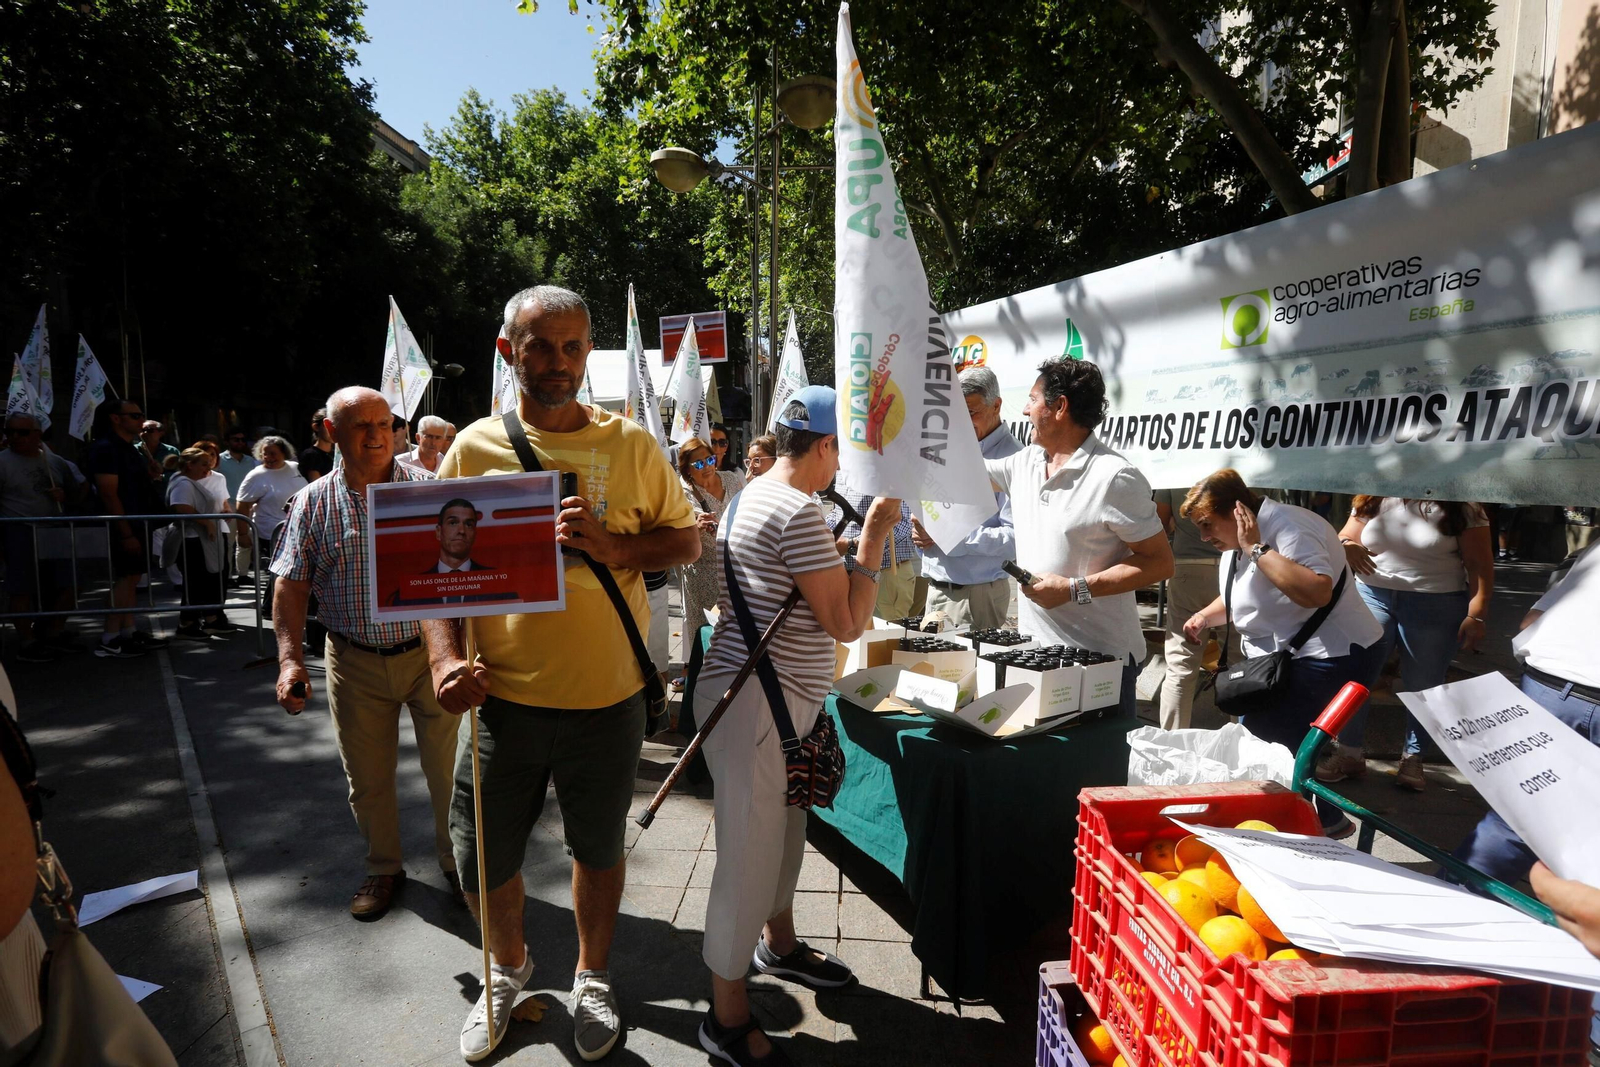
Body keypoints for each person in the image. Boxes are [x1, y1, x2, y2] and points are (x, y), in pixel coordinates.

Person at [422, 285, 699, 1063]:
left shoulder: (634, 446)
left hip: (607, 703)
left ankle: (594, 974)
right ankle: (506, 970)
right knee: (484, 856)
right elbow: (431, 575)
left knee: (598, 849)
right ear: (508, 351)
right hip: (501, 701)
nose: (558, 363)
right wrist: (445, 660)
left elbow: (684, 544)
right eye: (540, 346)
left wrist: (614, 549)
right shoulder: (472, 448)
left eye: (573, 347)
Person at [693, 387, 901, 1067]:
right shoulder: (800, 510)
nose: (844, 464)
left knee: (780, 838)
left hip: (758, 700)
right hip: (758, 705)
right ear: (824, 447)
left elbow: (780, 583)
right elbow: (846, 621)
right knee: (748, 861)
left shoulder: (756, 492)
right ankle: (725, 1017)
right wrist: (871, 537)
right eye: (843, 448)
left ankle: (778, 945)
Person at [269, 387, 461, 923]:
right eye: (361, 426)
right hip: (352, 661)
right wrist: (289, 661)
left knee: (450, 772)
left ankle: (460, 864)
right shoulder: (311, 503)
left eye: (385, 423)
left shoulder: (432, 490)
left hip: (432, 658)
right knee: (368, 778)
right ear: (331, 433)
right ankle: (385, 867)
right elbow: (291, 587)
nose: (377, 435)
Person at [1179, 469, 1383, 831]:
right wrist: (1203, 617)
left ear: (1238, 511)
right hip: (1284, 660)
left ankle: (1308, 826)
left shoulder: (1290, 527)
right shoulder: (1239, 540)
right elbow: (1247, 597)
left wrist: (1257, 549)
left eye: (1208, 525)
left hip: (1329, 655)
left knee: (1267, 748)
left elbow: (1317, 592)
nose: (1204, 536)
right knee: (1279, 750)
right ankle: (1325, 822)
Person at [988, 359, 1174, 714]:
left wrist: (1074, 589)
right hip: (1036, 656)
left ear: (1059, 407)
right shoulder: (1023, 462)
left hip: (1101, 666)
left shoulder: (1115, 477)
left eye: (1032, 399)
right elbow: (964, 472)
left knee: (1096, 768)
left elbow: (1161, 564)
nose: (1025, 410)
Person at [1315, 496, 1494, 791]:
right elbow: (1345, 535)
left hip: (1436, 602)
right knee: (1356, 675)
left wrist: (1478, 615)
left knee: (1424, 684)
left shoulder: (1462, 504)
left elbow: (1479, 565)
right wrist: (1346, 546)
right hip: (1371, 595)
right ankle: (1348, 753)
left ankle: (1414, 757)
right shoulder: (1373, 495)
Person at [1453, 542, 1599, 884]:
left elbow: (1530, 620)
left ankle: (1453, 901)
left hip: (1550, 683)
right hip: (1556, 681)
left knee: (1516, 820)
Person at [910, 366, 1020, 631]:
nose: (962, 422)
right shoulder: (948, 448)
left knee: (973, 673)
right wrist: (922, 531)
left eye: (971, 413)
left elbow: (1016, 538)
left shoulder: (1014, 459)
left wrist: (953, 537)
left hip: (977, 596)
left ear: (997, 406)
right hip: (935, 589)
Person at [85, 399, 169, 659]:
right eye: (134, 415)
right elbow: (109, 495)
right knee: (125, 579)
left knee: (132, 578)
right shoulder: (106, 448)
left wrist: (152, 473)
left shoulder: (130, 448)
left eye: (141, 415)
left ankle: (128, 632)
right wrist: (125, 532)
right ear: (115, 418)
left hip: (136, 522)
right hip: (123, 525)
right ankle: (110, 638)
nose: (141, 420)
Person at [0, 414, 85, 660]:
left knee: (70, 583)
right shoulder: (2, 462)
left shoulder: (55, 462)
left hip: (54, 530)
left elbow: (78, 494)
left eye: (22, 432)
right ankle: (27, 641)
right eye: (10, 431)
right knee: (22, 588)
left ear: (37, 435)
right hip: (19, 531)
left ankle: (53, 632)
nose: (15, 437)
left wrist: (65, 496)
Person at [1155, 486, 1227, 730]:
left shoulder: (1178, 464)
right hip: (1236, 564)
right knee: (1241, 662)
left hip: (1188, 566)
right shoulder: (1247, 459)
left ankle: (1171, 745)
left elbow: (1158, 522)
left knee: (1180, 665)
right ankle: (1243, 739)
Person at [677, 435, 746, 639]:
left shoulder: (731, 479)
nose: (707, 466)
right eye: (699, 463)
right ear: (687, 469)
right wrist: (696, 527)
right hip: (702, 572)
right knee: (706, 633)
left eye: (709, 459)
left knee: (735, 634)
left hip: (735, 568)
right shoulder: (683, 493)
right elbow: (676, 533)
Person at [387, 499, 516, 607]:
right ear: (438, 532)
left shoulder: (501, 587)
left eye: (469, 524)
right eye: (453, 523)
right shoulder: (410, 593)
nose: (461, 530)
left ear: (475, 534)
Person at [234, 435, 306, 618]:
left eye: (273, 453)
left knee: (289, 572)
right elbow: (242, 504)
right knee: (278, 571)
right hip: (270, 532)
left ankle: (277, 607)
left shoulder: (296, 469)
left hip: (298, 530)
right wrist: (242, 534)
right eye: (265, 454)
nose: (268, 458)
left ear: (284, 453)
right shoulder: (256, 475)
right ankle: (269, 608)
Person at [167, 448, 233, 639]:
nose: (208, 467)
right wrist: (207, 523)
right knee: (196, 582)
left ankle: (210, 619)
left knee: (205, 580)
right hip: (191, 540)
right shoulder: (183, 483)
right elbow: (181, 507)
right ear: (190, 465)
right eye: (203, 464)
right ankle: (187, 623)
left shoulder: (189, 482)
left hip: (200, 540)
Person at [831, 492, 917, 620]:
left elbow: (903, 524)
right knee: (850, 637)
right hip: (843, 571)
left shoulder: (890, 474)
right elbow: (836, 514)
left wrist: (852, 545)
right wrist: (827, 537)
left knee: (885, 636)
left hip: (886, 574)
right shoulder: (843, 473)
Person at [218, 427, 259, 577]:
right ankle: (227, 575)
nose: (240, 442)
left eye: (242, 439)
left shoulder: (251, 461)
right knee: (227, 543)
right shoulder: (220, 459)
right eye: (236, 439)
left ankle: (243, 574)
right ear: (227, 441)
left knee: (245, 541)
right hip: (227, 505)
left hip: (247, 505)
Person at [298, 408, 335, 482]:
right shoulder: (311, 455)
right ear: (316, 427)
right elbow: (316, 484)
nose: (333, 430)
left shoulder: (338, 453)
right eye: (327, 426)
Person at [137, 419, 177, 486]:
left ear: (161, 432)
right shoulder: (133, 450)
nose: (145, 433)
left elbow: (178, 473)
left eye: (149, 430)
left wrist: (160, 477)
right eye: (143, 430)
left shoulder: (171, 451)